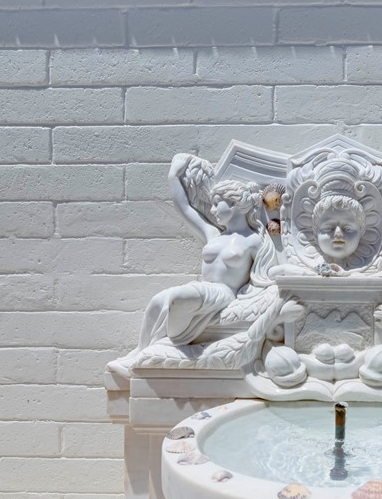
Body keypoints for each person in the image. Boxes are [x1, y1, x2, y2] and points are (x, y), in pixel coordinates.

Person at [108, 154, 277, 373]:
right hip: (203, 287)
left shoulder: (254, 240)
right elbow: (185, 209)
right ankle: (140, 351)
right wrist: (173, 176)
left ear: (235, 204)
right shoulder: (213, 234)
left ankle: (169, 343)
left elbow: (265, 275)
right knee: (158, 300)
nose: (213, 211)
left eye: (217, 205)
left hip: (224, 293)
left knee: (179, 297)